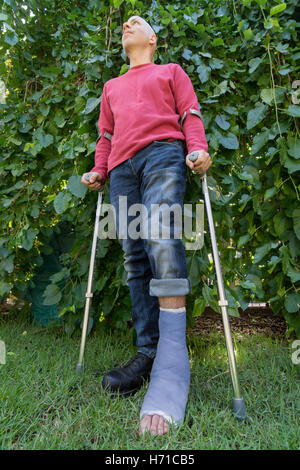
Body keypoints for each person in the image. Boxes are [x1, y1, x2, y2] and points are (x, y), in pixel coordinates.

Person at [81, 16, 212, 436]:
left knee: (160, 232)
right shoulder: (111, 88)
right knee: (135, 257)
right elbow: (105, 135)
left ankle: (173, 366)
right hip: (121, 168)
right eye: (124, 23)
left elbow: (190, 114)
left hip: (161, 154)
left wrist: (198, 148)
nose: (126, 24)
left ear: (153, 39)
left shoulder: (171, 73)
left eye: (136, 23)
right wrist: (99, 170)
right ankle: (148, 354)